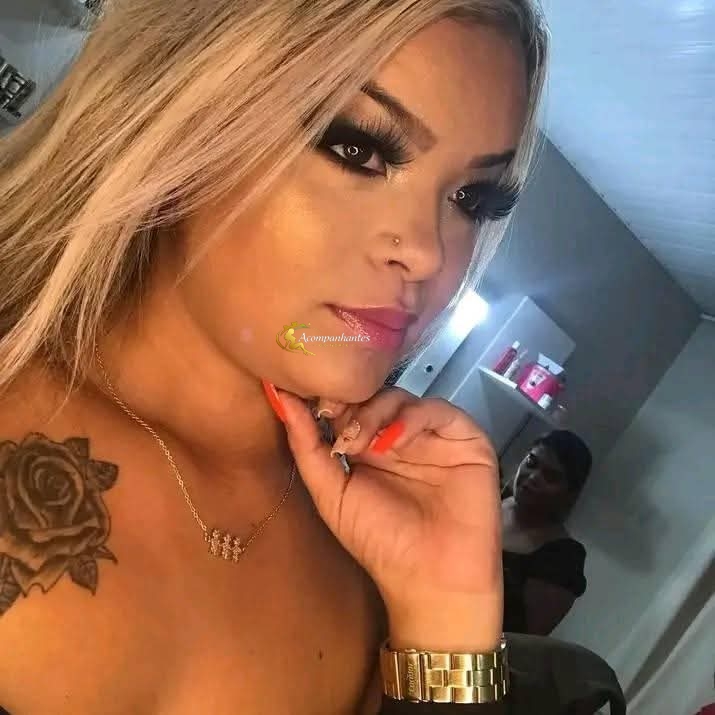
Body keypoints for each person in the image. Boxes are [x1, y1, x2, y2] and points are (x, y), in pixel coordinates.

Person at [0, 0, 559, 713]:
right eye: (357, 150)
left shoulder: (377, 549)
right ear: (189, 109)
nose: (426, 251)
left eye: (471, 199)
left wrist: (448, 623)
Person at [501, 431, 593, 636]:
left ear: (569, 493)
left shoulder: (561, 559)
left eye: (551, 477)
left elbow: (522, 641)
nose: (533, 477)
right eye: (531, 463)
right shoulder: (489, 496)